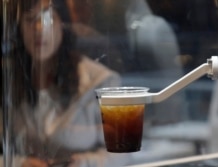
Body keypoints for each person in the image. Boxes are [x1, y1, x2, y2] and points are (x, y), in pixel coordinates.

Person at [11, 0, 130, 166]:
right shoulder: (10, 80)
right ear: (19, 28)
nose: (39, 29)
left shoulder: (102, 81)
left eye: (48, 18)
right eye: (30, 19)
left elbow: (124, 152)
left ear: (63, 23)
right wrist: (19, 163)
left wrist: (84, 163)